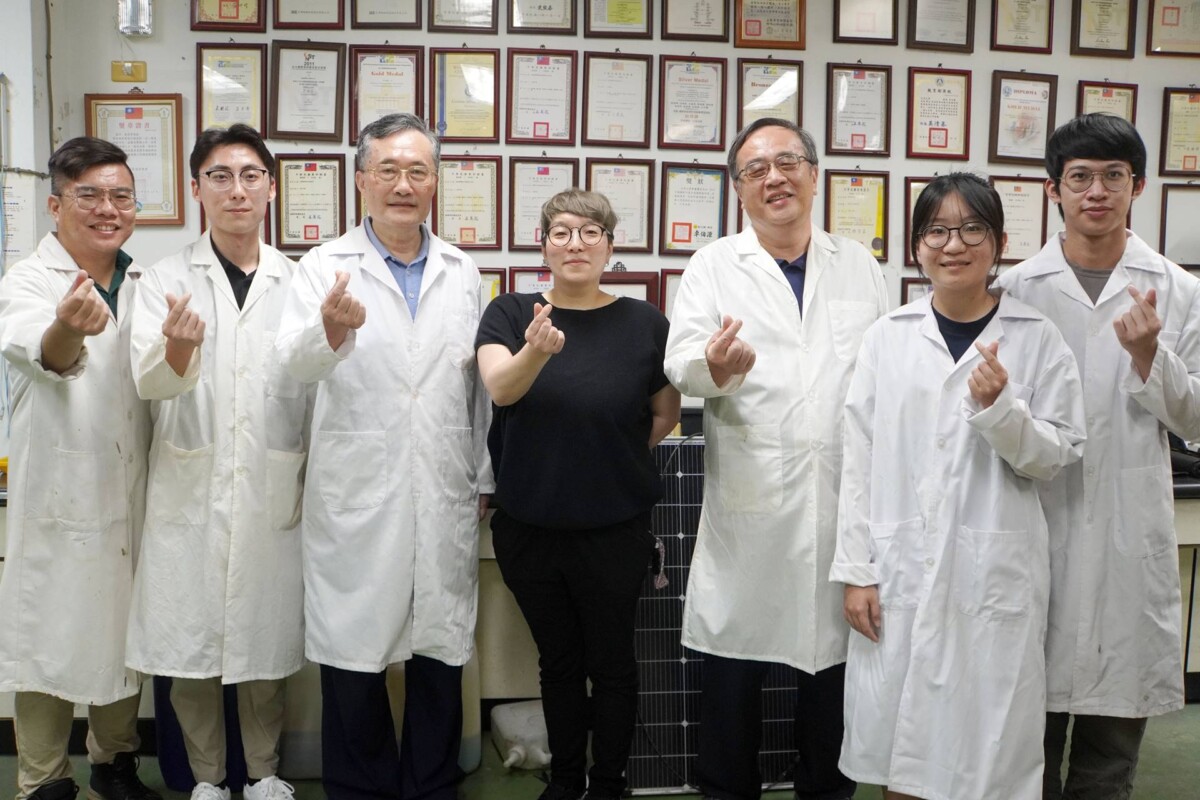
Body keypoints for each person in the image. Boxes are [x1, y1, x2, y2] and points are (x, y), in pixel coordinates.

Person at [832, 173, 1087, 800]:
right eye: (937, 231)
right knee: (901, 749)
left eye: (972, 229)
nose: (954, 245)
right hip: (899, 569)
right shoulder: (888, 337)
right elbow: (858, 458)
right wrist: (857, 571)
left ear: (998, 242)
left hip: (993, 571)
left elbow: (1057, 455)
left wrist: (1001, 412)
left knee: (988, 755)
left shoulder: (1037, 337)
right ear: (917, 246)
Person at [663, 118, 888, 800]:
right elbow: (681, 364)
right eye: (756, 169)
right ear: (738, 189)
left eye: (788, 162)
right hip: (752, 512)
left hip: (842, 506)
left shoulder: (858, 264)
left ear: (815, 175)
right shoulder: (712, 265)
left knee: (834, 688)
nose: (774, 178)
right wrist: (715, 364)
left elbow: (883, 371)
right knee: (733, 684)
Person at [275, 112, 493, 800]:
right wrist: (328, 330)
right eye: (389, 170)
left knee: (439, 651)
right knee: (353, 656)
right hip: (356, 492)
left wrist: (483, 475)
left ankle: (431, 785)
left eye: (418, 171)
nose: (404, 184)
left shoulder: (462, 271)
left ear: (435, 182)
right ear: (361, 179)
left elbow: (476, 389)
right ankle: (360, 789)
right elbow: (293, 367)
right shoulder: (323, 267)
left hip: (443, 483)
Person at [996, 113, 1200, 800]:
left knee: (1109, 754)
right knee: (1026, 746)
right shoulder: (1018, 291)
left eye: (1114, 176)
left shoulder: (1177, 289)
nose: (1097, 191)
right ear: (1053, 189)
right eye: (1080, 176)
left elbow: (1196, 419)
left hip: (1126, 529)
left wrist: (1150, 357)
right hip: (1036, 524)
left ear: (1137, 186)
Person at [475, 189, 681, 800]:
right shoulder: (511, 312)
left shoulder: (645, 322)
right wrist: (536, 351)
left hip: (614, 530)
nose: (575, 244)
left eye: (591, 232)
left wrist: (607, 458)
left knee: (613, 664)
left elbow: (665, 413)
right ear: (543, 246)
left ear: (610, 247)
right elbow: (501, 390)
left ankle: (609, 783)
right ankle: (566, 782)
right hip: (530, 529)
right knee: (558, 662)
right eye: (561, 232)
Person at [124, 124, 310, 800]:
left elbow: (316, 380)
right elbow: (148, 381)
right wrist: (178, 349)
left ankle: (263, 773)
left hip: (270, 484)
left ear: (271, 187)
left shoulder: (300, 280)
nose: (237, 190)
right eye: (220, 176)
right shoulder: (163, 279)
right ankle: (206, 778)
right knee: (190, 639)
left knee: (265, 640)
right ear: (196, 188)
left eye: (250, 175)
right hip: (190, 483)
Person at [0, 138, 159, 800]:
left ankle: (114, 762)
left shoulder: (144, 283)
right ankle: (43, 778)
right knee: (48, 636)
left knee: (122, 634)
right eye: (88, 194)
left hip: (130, 492)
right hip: (59, 497)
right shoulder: (29, 280)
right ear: (56, 205)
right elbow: (45, 353)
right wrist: (68, 325)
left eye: (121, 196)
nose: (107, 209)